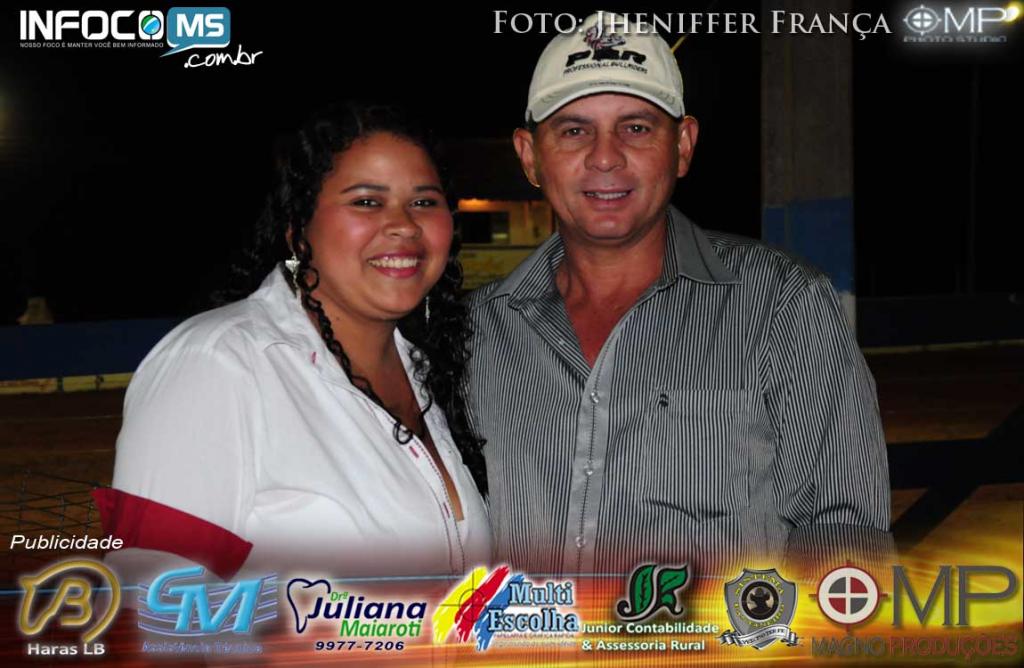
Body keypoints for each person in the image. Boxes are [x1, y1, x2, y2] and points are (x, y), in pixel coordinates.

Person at [465, 12, 894, 576]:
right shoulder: (477, 331)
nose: (605, 156)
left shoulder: (782, 305)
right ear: (529, 156)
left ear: (683, 146)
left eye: (636, 127)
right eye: (573, 130)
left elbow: (846, 536)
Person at [94, 103, 491, 583]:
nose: (405, 225)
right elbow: (150, 601)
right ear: (297, 229)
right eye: (367, 201)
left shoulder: (431, 371)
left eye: (424, 202)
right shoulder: (218, 364)